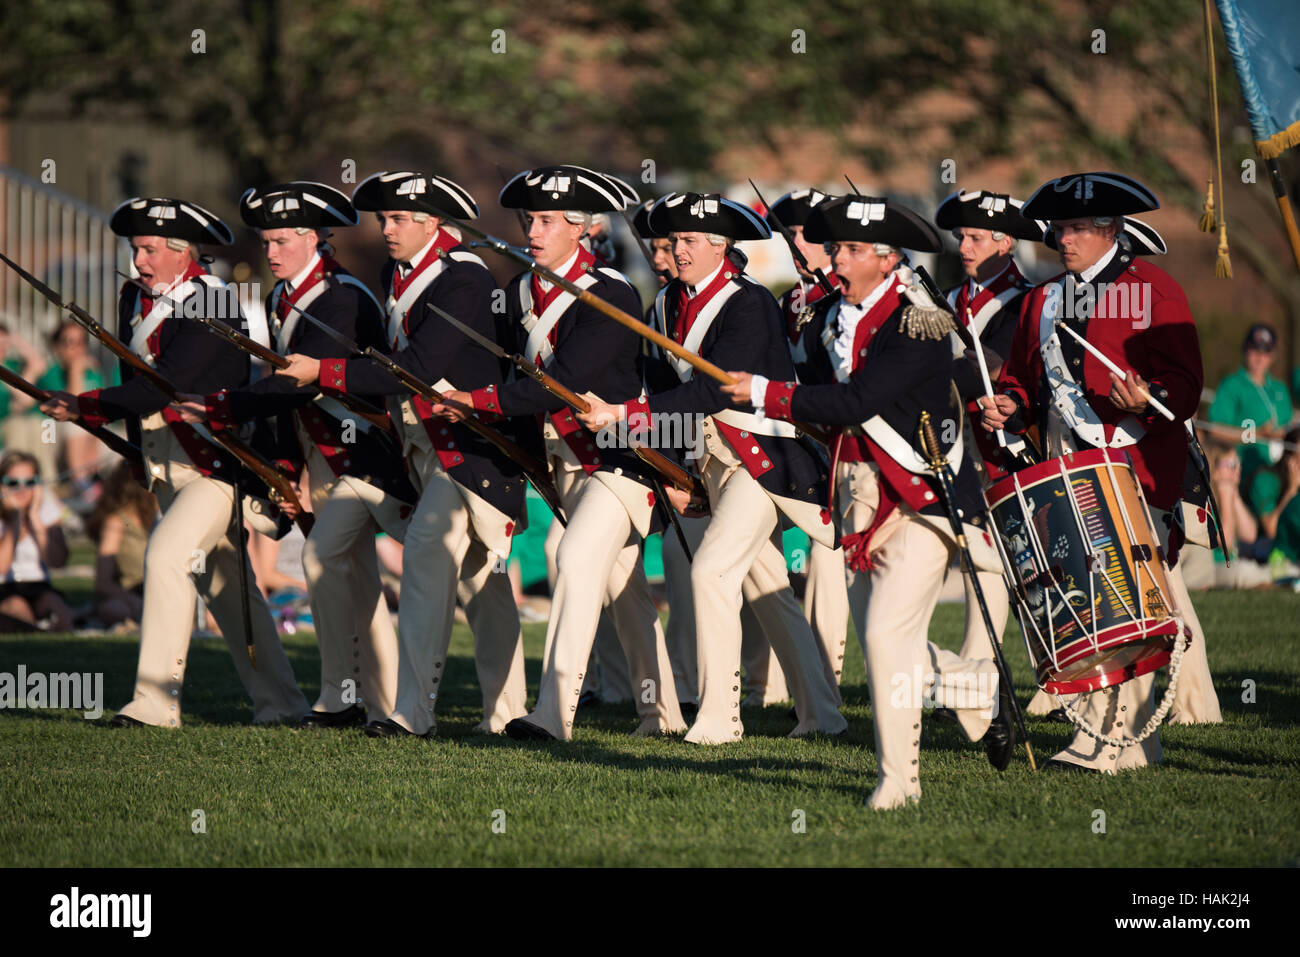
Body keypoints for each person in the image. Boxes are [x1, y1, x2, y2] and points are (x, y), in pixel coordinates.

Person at [721, 192, 1012, 808]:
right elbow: (831, 408)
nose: (837, 259)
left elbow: (857, 405)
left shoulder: (915, 322)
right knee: (891, 641)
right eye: (836, 247)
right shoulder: (835, 320)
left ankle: (899, 781)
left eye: (851, 249)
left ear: (886, 259)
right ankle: (970, 682)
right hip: (856, 500)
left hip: (917, 499)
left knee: (883, 637)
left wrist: (765, 393)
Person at [582, 189, 847, 745]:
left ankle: (721, 717)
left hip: (763, 458)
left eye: (688, 241)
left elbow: (710, 390)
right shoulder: (669, 304)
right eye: (673, 240)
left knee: (711, 572)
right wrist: (675, 474)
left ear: (720, 246)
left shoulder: (749, 303)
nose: (676, 251)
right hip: (710, 463)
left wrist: (624, 414)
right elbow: (664, 389)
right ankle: (823, 713)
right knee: (769, 589)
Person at [981, 172, 1221, 772]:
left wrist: (1150, 396)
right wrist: (1009, 404)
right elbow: (1022, 379)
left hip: (1134, 458)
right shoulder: (1041, 299)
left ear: (1111, 231)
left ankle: (1129, 742)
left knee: (1131, 595)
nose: (1065, 239)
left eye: (1078, 228)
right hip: (1065, 459)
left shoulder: (1153, 289)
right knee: (1090, 596)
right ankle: (1104, 736)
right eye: (1060, 228)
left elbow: (1185, 384)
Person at [39, 196, 308, 727]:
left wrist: (85, 408)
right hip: (164, 464)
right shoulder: (133, 299)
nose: (139, 260)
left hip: (214, 466)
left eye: (149, 250)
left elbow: (167, 385)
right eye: (137, 249)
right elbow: (130, 381)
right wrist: (135, 450)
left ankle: (154, 702)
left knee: (166, 557)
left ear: (183, 251)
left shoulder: (216, 303)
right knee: (230, 591)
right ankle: (283, 705)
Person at [441, 164, 685, 742]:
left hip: (621, 459)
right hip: (562, 462)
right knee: (626, 595)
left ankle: (553, 715)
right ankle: (665, 714)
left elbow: (563, 382)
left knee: (573, 559)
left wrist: (473, 401)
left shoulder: (612, 292)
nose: (534, 229)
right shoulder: (517, 291)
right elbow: (499, 367)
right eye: (530, 219)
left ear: (582, 228)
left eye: (548, 220)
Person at [281, 171, 530, 737]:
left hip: (472, 449)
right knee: (478, 579)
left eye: (397, 219)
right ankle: (508, 711)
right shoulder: (405, 274)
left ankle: (412, 713)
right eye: (383, 219)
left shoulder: (461, 277)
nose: (385, 230)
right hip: (429, 451)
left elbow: (417, 367)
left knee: (426, 559)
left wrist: (325, 370)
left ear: (431, 222)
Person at [178, 181, 414, 730]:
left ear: (313, 238)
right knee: (354, 577)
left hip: (365, 454)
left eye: (283, 240)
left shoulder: (343, 296)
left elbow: (302, 384)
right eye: (267, 242)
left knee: (326, 558)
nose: (272, 251)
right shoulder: (283, 296)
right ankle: (368, 702)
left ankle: (350, 698)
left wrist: (226, 404)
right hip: (326, 456)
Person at [1207, 323, 1295, 560]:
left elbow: (1287, 430)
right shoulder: (1232, 386)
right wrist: (1255, 435)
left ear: (1273, 355)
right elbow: (1213, 429)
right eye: (1255, 350)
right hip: (1245, 473)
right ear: (1245, 350)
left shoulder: (1279, 389)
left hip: (1281, 471)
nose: (1259, 357)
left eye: (1265, 351)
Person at [35, 320, 111, 503]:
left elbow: (100, 412)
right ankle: (81, 484)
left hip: (87, 439)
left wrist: (95, 438)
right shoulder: (51, 372)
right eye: (69, 342)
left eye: (81, 342)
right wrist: (76, 370)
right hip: (50, 434)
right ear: (57, 347)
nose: (76, 348)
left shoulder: (93, 373)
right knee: (75, 425)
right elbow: (70, 407)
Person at [0, 450, 74, 631]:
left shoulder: (47, 512)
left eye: (30, 482)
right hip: (4, 588)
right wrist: (15, 521)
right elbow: (2, 567)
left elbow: (57, 561)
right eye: (13, 482)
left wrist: (34, 518)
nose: (21, 489)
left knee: (58, 611)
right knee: (18, 607)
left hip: (38, 586)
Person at [85, 460, 157, 629]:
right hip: (131, 593)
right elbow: (103, 582)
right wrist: (134, 601)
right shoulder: (117, 521)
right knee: (115, 610)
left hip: (159, 589)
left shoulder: (163, 515)